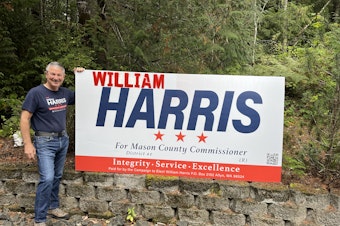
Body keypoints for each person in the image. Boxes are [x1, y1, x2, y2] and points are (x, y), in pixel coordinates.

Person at [20, 62, 84, 226]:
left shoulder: (65, 93)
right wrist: (28, 143)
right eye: (53, 74)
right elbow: (25, 118)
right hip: (44, 142)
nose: (56, 78)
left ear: (63, 77)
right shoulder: (36, 93)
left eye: (59, 75)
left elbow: (85, 92)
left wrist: (81, 75)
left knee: (56, 176)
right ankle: (40, 219)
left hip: (63, 140)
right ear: (46, 74)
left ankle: (53, 207)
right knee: (47, 178)